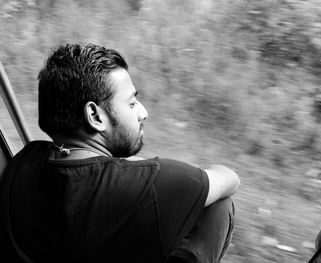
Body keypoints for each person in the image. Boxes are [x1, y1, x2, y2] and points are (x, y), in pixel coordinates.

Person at [0, 44, 240, 262]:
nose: (143, 112)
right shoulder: (147, 185)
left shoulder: (27, 158)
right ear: (95, 116)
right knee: (218, 205)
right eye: (132, 103)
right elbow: (229, 178)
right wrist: (140, 167)